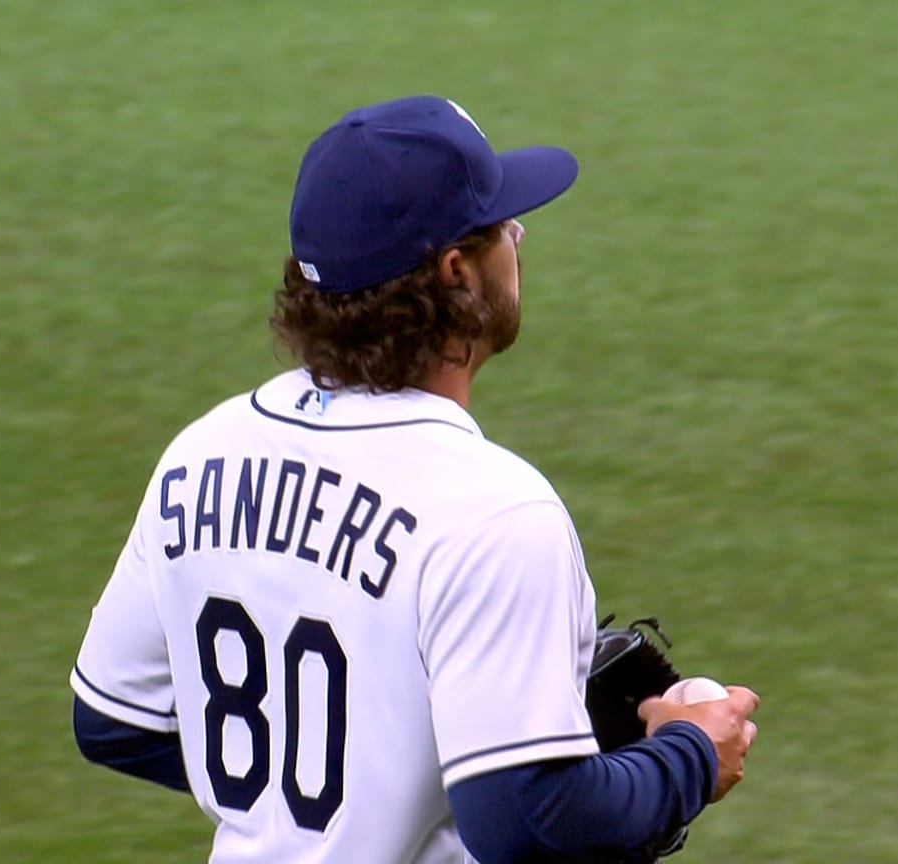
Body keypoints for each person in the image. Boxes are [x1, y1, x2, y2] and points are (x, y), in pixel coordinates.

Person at [70, 94, 759, 863]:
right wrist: (690, 754)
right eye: (505, 227)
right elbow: (524, 825)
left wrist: (372, 776)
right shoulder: (494, 513)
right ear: (457, 274)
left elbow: (116, 722)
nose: (519, 241)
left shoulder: (202, 457)